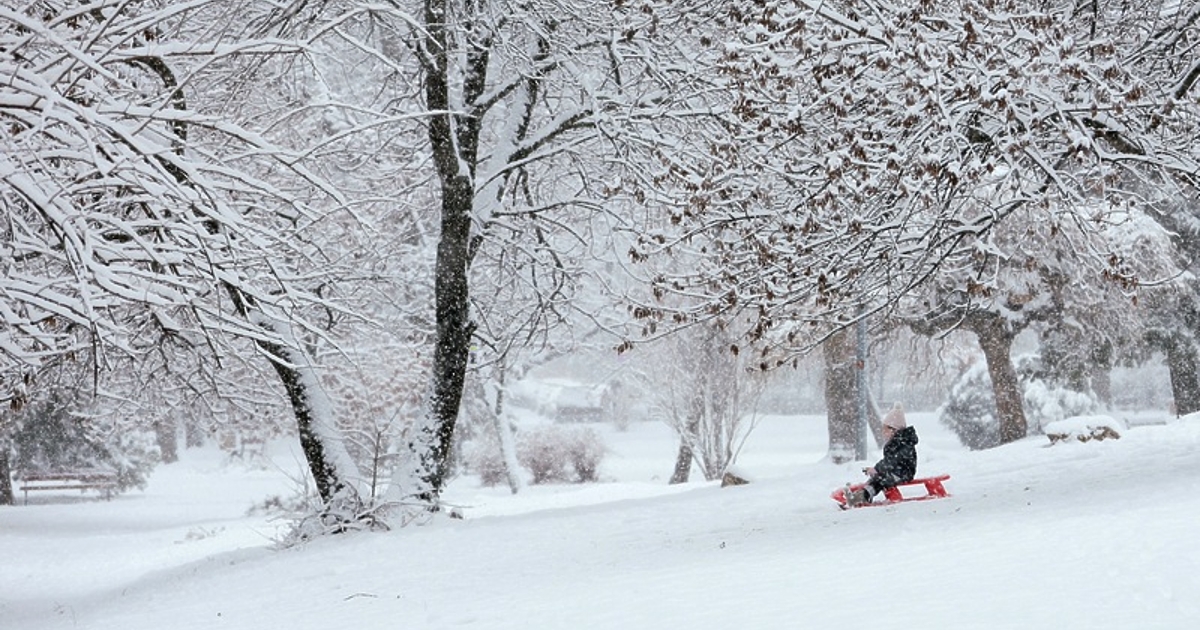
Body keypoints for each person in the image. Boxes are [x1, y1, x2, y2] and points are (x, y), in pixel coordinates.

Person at [845, 403, 918, 507]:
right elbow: (890, 462)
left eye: (885, 429)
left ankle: (862, 496)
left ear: (894, 430)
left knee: (881, 479)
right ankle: (860, 495)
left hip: (904, 473)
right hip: (894, 471)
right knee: (878, 478)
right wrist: (877, 470)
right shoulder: (895, 442)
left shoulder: (904, 443)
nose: (883, 432)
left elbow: (892, 460)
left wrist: (877, 469)